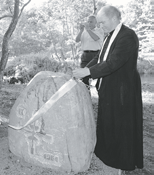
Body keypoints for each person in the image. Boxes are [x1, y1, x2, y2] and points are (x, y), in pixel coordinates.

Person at [73, 5, 143, 174]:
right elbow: (100, 57)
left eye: (102, 23)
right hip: (109, 87)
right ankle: (106, 154)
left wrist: (88, 72)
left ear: (113, 18)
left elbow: (113, 62)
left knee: (121, 125)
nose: (100, 27)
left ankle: (120, 160)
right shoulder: (110, 36)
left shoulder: (127, 36)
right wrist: (83, 74)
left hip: (122, 90)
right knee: (108, 122)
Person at [75, 15, 104, 88]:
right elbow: (77, 40)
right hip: (85, 55)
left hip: (95, 55)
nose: (89, 23)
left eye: (91, 22)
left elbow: (96, 38)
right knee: (83, 76)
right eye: (88, 21)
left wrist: (88, 30)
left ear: (95, 23)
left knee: (97, 75)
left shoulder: (99, 30)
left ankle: (100, 93)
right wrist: (81, 30)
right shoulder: (84, 31)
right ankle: (86, 95)